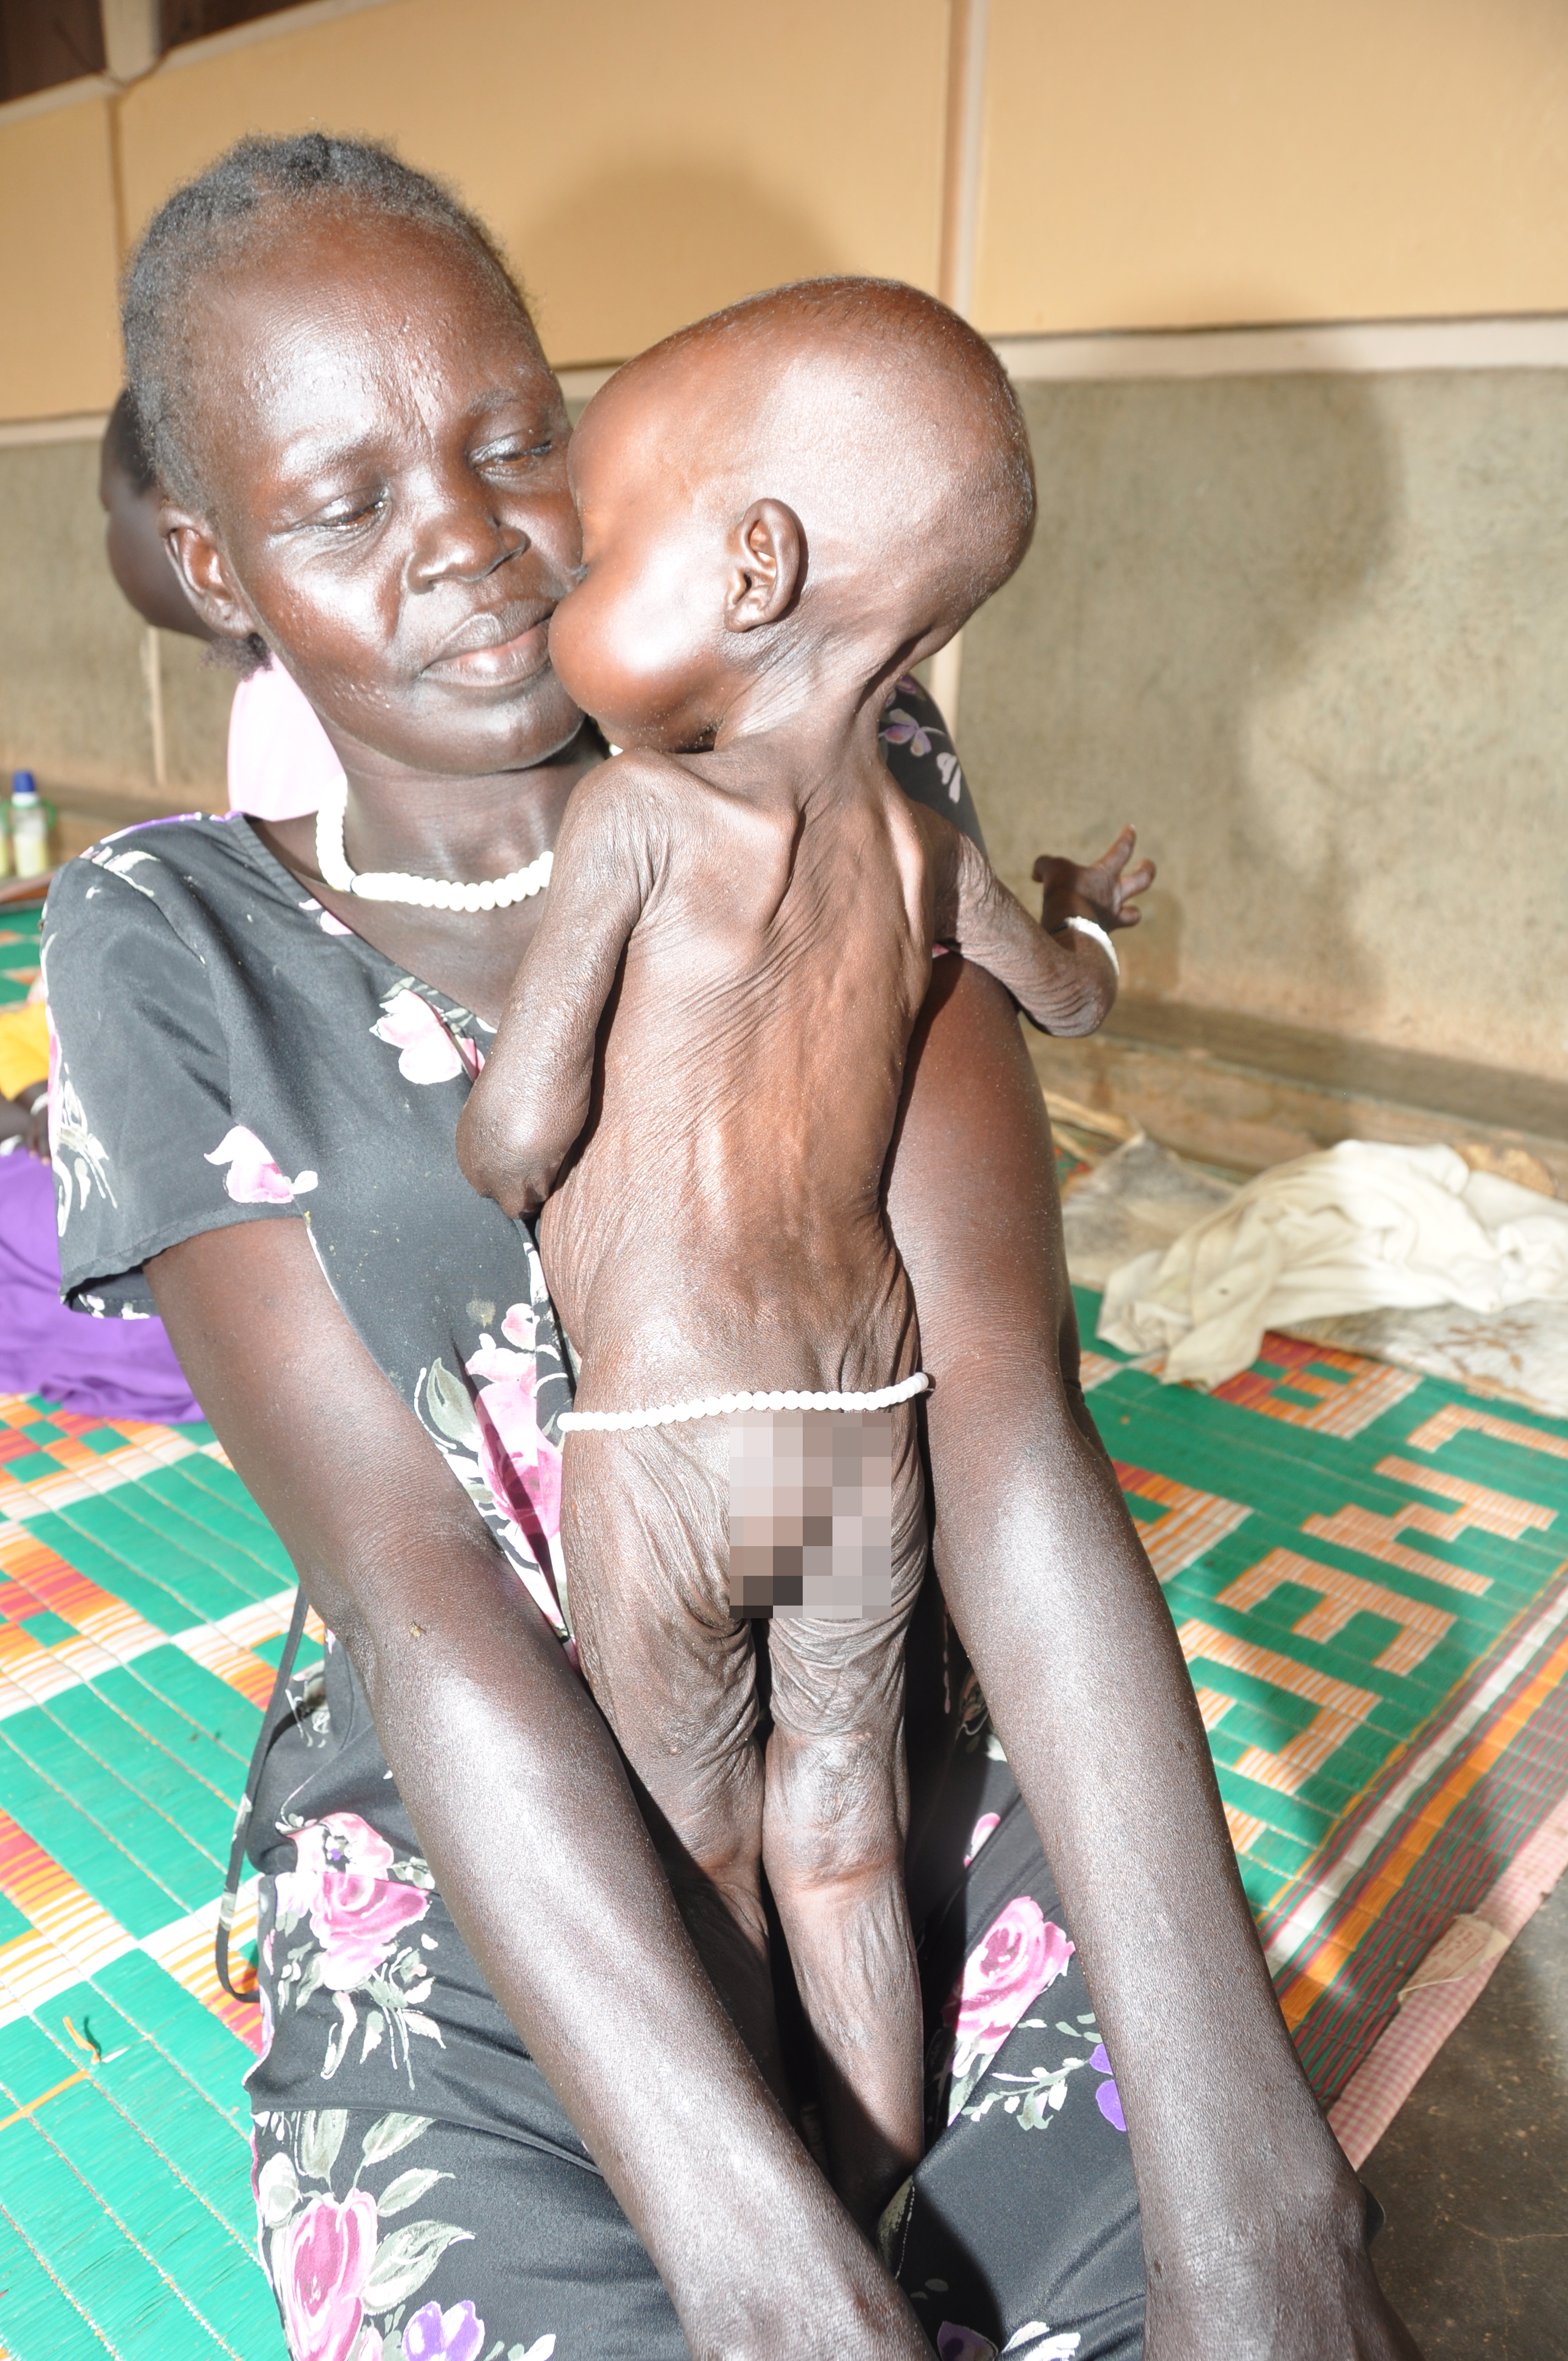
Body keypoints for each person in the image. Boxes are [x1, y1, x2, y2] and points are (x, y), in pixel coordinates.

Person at [42, 133, 1420, 2360]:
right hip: (486, 1813)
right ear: (212, 566)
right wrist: (777, 2285)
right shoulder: (166, 934)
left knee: (1224, 2273)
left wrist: (1267, 2198)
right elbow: (412, 1588)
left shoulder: (827, 756)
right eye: (345, 503)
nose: (473, 548)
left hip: (886, 1704)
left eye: (514, 441)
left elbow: (999, 1419)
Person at [456, 278, 1125, 2228]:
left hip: (663, 1437)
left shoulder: (636, 817)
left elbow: (512, 1141)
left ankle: (756, 2233)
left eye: (595, 525)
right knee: (838, 1832)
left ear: (748, 565)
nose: (555, 571)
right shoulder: (924, 854)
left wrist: (483, 1123)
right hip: (864, 1427)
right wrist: (1081, 902)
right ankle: (879, 2194)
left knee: (693, 1845)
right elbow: (1067, 1000)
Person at [100, 389, 340, 822]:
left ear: (184, 533)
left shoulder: (289, 698)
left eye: (110, 509)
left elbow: (286, 890)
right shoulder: (286, 670)